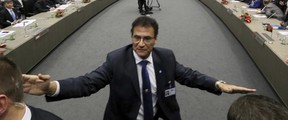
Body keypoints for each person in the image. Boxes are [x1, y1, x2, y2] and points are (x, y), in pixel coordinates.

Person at [22, 16, 256, 120]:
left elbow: (189, 76)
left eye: (147, 39)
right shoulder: (116, 59)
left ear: (156, 39)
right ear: (131, 37)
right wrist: (51, 87)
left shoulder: (166, 57)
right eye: (136, 37)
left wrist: (219, 84)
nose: (141, 44)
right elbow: (87, 83)